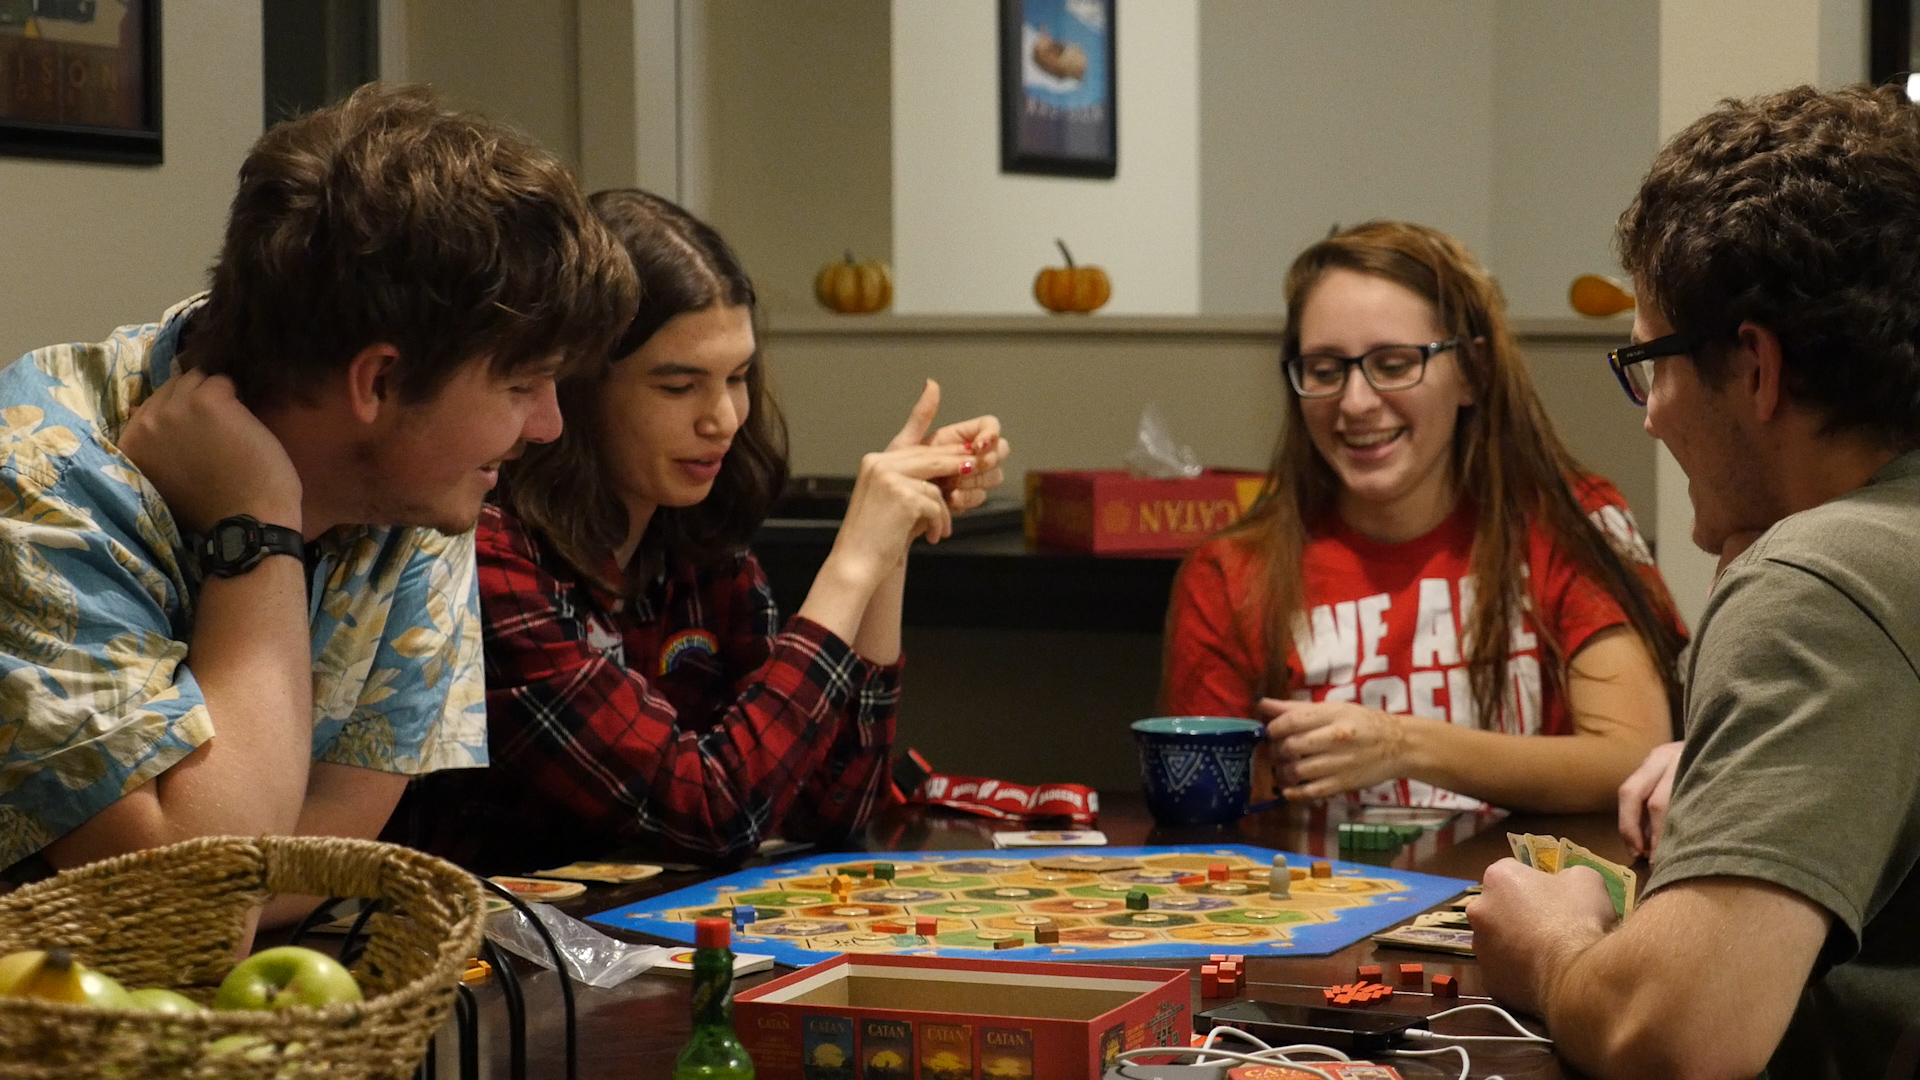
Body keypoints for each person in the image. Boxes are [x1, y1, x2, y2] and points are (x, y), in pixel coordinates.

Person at [0, 85, 636, 913]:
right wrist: (256, 530)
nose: (548, 426)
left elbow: (324, 846)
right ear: (376, 381)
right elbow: (195, 908)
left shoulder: (413, 488)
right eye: (521, 384)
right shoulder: (42, 480)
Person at [1470, 83, 1920, 1079]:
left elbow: (1679, 1035)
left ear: (1755, 368)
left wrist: (1552, 941)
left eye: (1652, 361)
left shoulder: (1818, 581)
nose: (1650, 415)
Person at [388, 190, 1008, 871]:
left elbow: (838, 804)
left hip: (631, 947)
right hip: (488, 959)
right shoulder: (489, 553)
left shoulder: (697, 542)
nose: (722, 419)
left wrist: (893, 542)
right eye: (678, 387)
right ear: (578, 389)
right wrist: (851, 563)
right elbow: (710, 813)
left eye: (737, 378)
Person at [1161, 222, 1685, 813]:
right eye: (1325, 370)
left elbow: (1634, 755)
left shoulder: (1570, 521)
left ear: (1470, 371)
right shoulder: (1231, 574)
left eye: (1393, 364)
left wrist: (1401, 744)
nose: (1355, 402)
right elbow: (1204, 822)